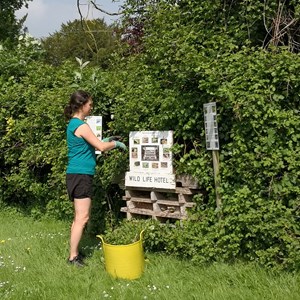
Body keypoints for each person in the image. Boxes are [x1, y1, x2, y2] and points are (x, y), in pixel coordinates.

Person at [63, 90, 126, 267]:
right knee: (82, 217)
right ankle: (73, 257)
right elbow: (100, 147)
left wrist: (105, 139)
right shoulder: (80, 125)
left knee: (79, 217)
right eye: (90, 104)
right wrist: (115, 144)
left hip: (77, 174)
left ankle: (74, 252)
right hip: (81, 175)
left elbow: (87, 146)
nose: (91, 107)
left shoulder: (74, 124)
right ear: (82, 105)